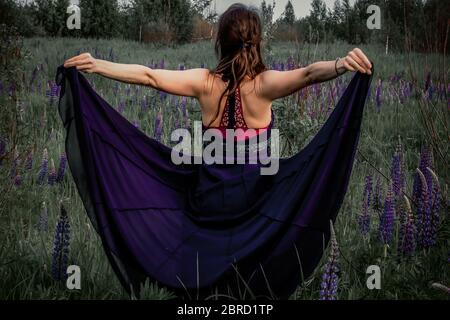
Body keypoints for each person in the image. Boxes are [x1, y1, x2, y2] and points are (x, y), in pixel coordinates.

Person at [59, 3, 373, 300]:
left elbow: (149, 75)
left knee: (195, 247)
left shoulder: (203, 82)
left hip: (208, 198)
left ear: (220, 41)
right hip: (255, 201)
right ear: (256, 40)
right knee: (258, 251)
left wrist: (98, 65)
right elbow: (307, 73)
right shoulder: (264, 85)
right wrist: (340, 64)